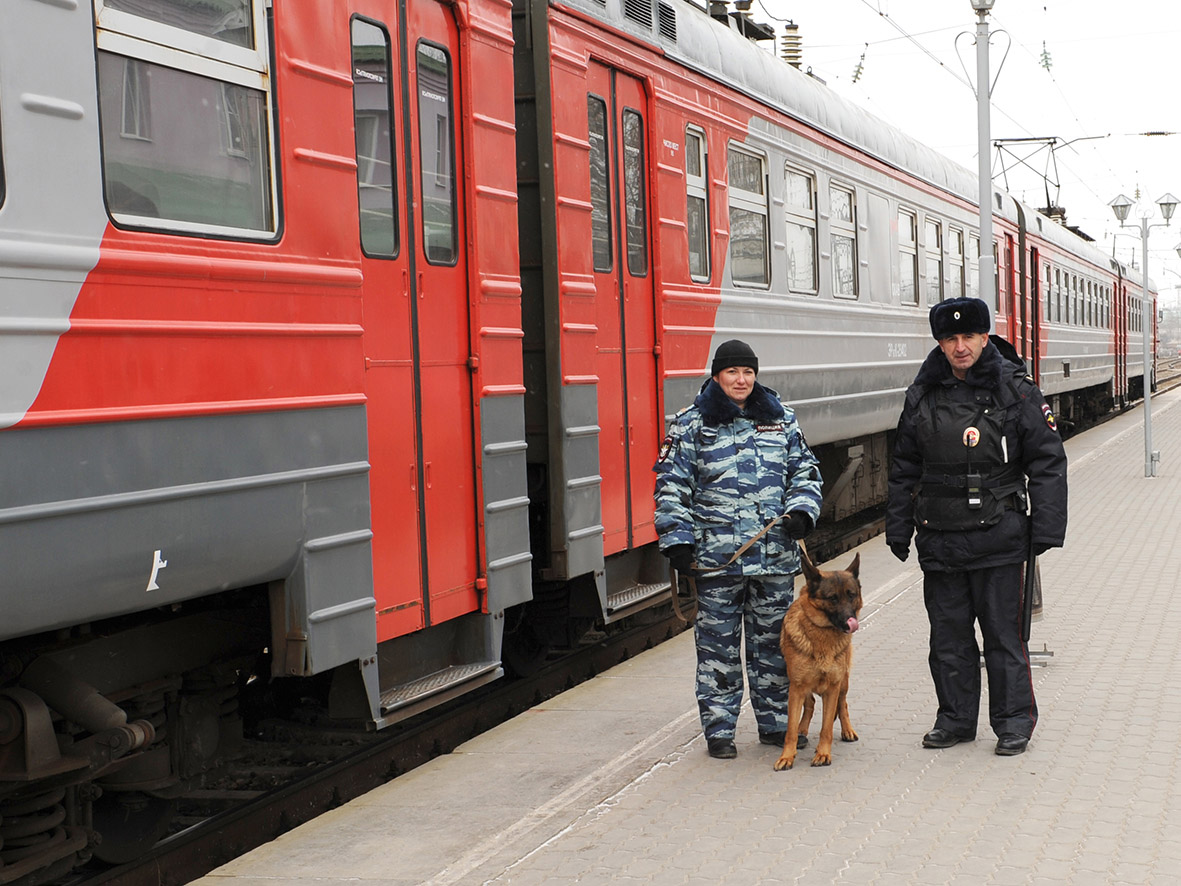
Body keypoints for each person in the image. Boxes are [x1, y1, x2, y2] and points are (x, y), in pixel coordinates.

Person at [886, 297, 1067, 757]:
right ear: (940, 344)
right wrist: (897, 527)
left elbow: (1047, 460)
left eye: (968, 337)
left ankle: (1013, 724)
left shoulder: (1016, 389)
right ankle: (955, 720)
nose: (960, 346)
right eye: (950, 338)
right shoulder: (922, 393)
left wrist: (1046, 526)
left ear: (986, 337)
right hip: (939, 535)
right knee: (948, 639)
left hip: (1000, 533)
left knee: (1004, 638)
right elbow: (904, 465)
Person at [654, 339, 823, 759]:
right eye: (732, 372)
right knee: (717, 650)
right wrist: (677, 540)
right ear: (717, 376)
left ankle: (776, 725)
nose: (741, 379)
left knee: (776, 647)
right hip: (716, 561)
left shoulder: (781, 419)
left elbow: (805, 471)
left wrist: (802, 510)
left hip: (774, 559)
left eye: (747, 372)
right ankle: (719, 730)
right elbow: (671, 486)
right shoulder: (691, 424)